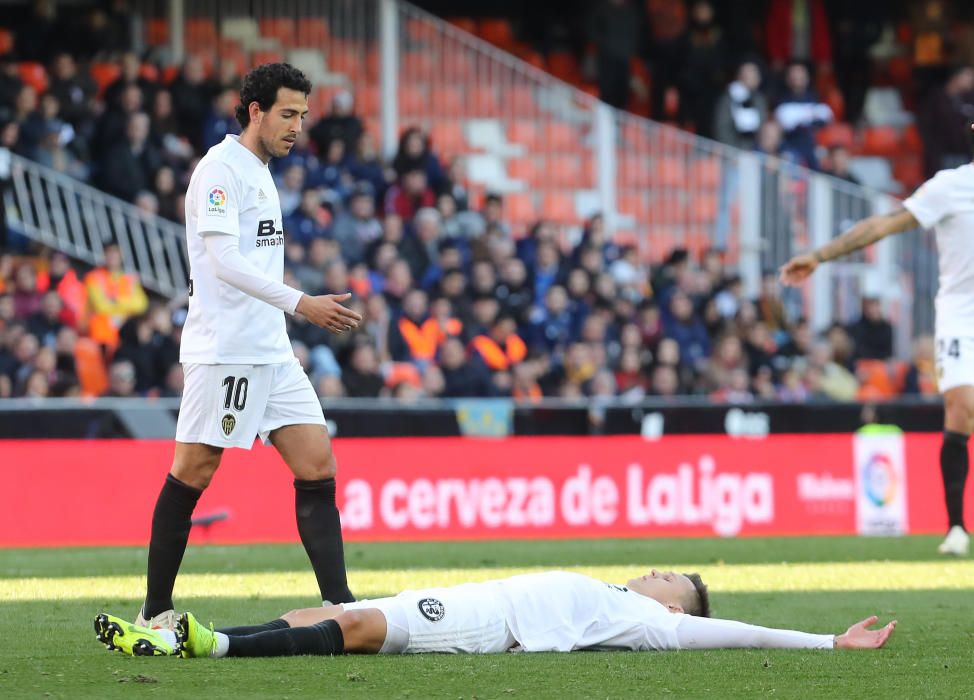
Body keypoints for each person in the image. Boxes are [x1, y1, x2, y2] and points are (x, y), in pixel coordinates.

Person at [134, 63, 364, 634]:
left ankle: (342, 605)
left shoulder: (262, 170)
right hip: (226, 350)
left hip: (272, 351)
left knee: (317, 465)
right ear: (255, 110)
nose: (298, 127)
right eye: (288, 114)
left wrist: (288, 315)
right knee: (193, 470)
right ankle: (155, 610)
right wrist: (301, 303)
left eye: (303, 116)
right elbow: (223, 261)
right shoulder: (219, 170)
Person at [779, 122, 974, 556]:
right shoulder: (951, 187)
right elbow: (884, 225)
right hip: (962, 319)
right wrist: (819, 254)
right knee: (962, 409)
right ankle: (957, 527)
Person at [93, 569, 896, 659]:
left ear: (675, 606)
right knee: (325, 610)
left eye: (672, 579)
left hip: (490, 625)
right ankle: (176, 635)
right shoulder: (617, 595)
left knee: (362, 630)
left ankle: (207, 646)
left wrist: (826, 639)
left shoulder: (647, 623)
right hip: (481, 599)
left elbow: (736, 633)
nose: (656, 573)